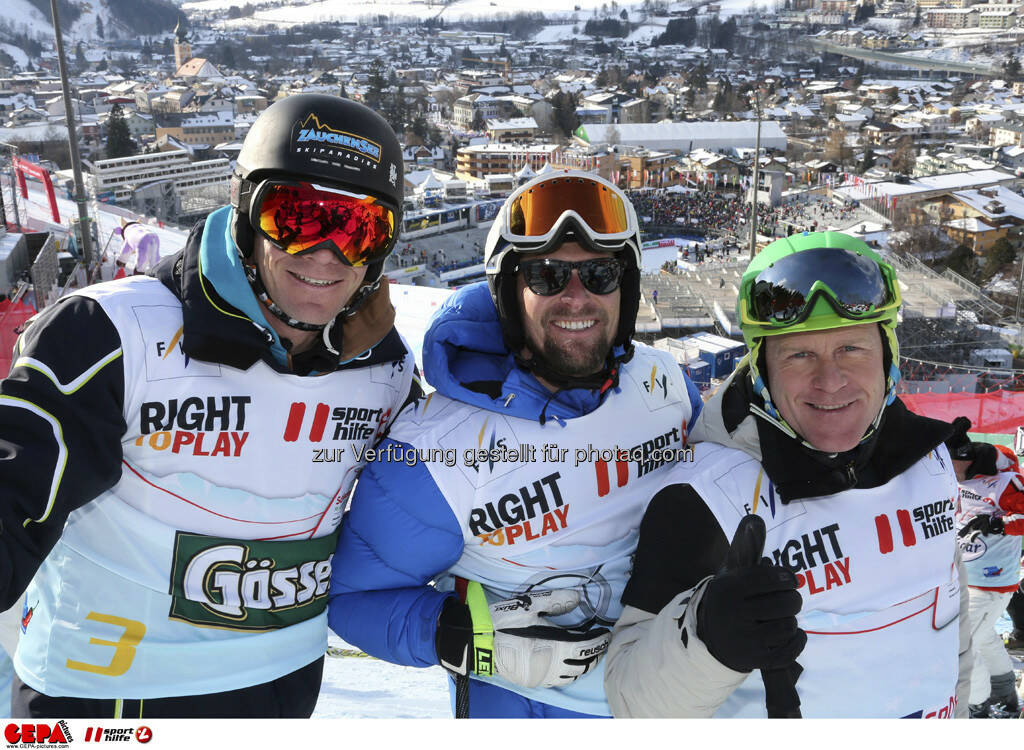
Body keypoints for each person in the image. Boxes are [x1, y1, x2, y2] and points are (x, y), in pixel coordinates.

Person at [0, 94, 418, 717]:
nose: (326, 253)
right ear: (247, 212)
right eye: (297, 217)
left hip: (280, 690)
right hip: (112, 699)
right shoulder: (114, 333)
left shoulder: (383, 371)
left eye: (358, 229)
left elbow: (444, 493)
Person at [328, 171, 704, 718]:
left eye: (599, 274)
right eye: (547, 276)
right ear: (507, 292)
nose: (577, 298)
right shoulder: (432, 455)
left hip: (672, 696)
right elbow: (354, 598)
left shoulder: (664, 384)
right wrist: (474, 644)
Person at [603, 231, 971, 718]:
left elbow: (953, 634)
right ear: (761, 371)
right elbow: (631, 702)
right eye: (799, 355)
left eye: (852, 349)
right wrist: (706, 639)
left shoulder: (928, 459)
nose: (831, 380)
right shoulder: (708, 499)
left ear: (888, 357)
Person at [947, 426, 1024, 717]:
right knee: (982, 637)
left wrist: (997, 524)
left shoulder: (1006, 482)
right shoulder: (956, 479)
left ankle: (976, 704)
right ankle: (1004, 694)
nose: (947, 469)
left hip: (993, 580)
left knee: (961, 646)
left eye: (951, 463)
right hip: (963, 574)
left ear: (965, 459)